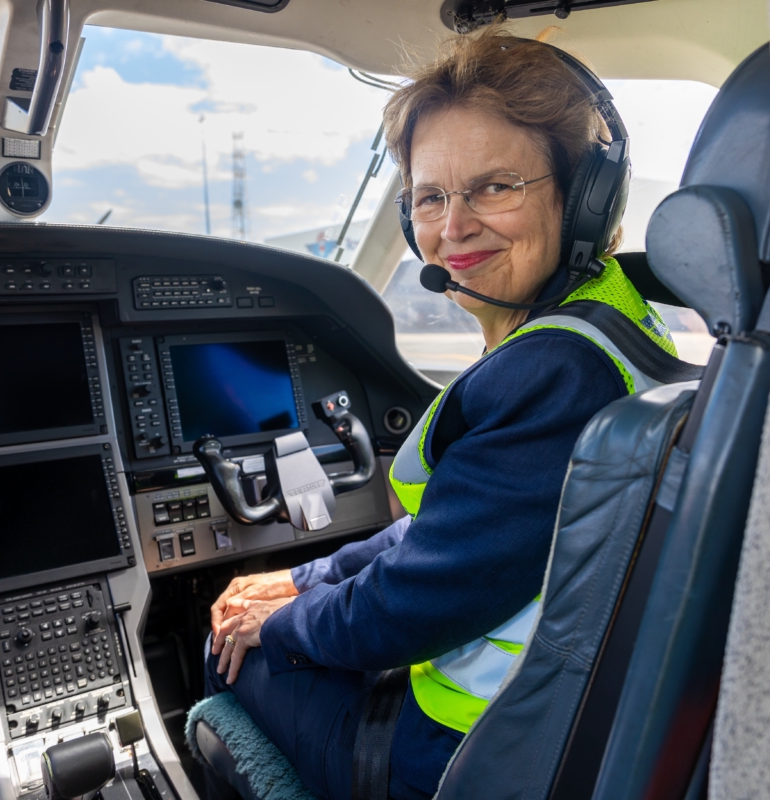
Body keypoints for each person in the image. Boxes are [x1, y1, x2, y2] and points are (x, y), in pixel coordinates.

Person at [202, 24, 680, 800]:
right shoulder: (613, 322)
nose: (452, 229)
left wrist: (278, 620)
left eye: (495, 186)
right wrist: (302, 577)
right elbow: (453, 533)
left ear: (587, 200)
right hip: (568, 719)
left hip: (469, 756)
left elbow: (412, 604)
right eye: (430, 196)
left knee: (225, 644)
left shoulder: (553, 373)